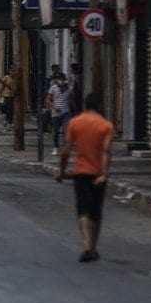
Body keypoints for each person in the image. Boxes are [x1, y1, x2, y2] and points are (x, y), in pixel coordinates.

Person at [56, 92, 115, 263]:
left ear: (84, 105)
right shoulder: (106, 125)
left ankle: (86, 244)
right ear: (100, 106)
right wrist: (103, 173)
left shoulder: (75, 122)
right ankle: (93, 247)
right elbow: (106, 151)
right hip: (97, 173)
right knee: (96, 211)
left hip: (81, 172)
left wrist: (61, 171)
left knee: (82, 209)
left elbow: (65, 151)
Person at [47, 73, 73, 148]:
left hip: (65, 113)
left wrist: (74, 111)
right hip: (55, 114)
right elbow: (48, 100)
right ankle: (56, 147)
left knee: (66, 130)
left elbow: (72, 100)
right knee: (55, 132)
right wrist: (54, 107)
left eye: (63, 79)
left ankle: (65, 147)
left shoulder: (69, 89)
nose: (62, 80)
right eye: (60, 79)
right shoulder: (53, 88)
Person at [0, 65, 18, 132]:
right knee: (9, 108)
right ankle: (7, 120)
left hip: (14, 95)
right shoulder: (6, 78)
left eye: (14, 71)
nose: (13, 72)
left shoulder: (17, 78)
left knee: (12, 109)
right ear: (9, 71)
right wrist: (0, 94)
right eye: (12, 71)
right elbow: (2, 86)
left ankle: (9, 122)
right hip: (7, 95)